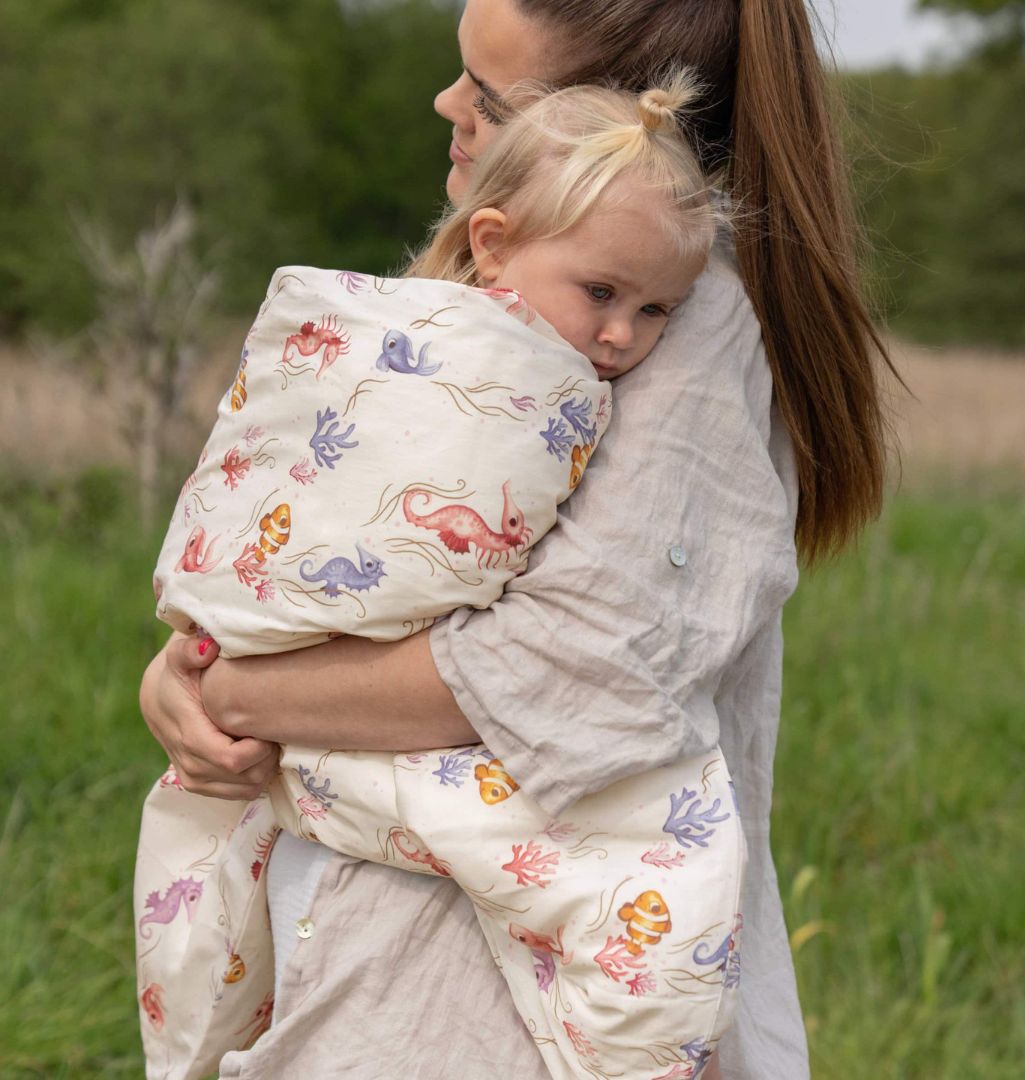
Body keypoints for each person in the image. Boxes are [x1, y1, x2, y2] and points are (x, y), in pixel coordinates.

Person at [139, 0, 896, 1076]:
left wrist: (235, 694)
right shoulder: (513, 310)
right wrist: (188, 662)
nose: (448, 105)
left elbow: (569, 666)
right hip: (384, 937)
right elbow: (340, 550)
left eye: (487, 97)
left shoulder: (671, 330)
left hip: (489, 999)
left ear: (597, 124)